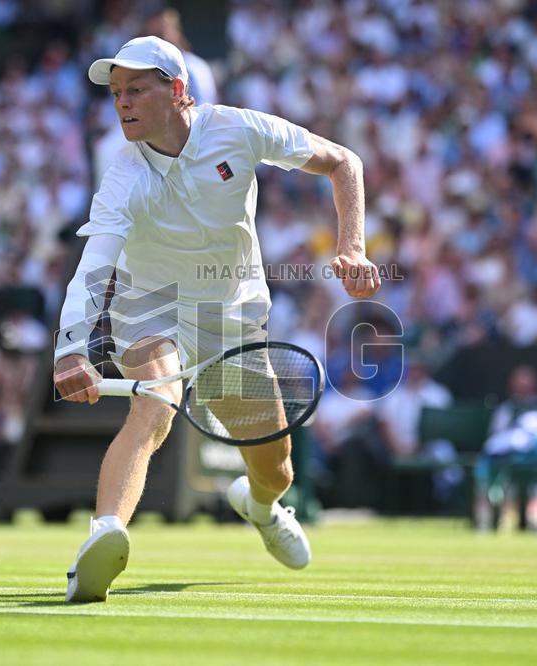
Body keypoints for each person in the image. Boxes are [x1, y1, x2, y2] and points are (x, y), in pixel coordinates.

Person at [53, 36, 380, 603]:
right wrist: (70, 350)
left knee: (276, 471)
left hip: (231, 315)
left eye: (137, 90)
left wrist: (352, 246)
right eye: (116, 93)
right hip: (150, 307)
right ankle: (104, 535)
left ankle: (261, 507)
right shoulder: (123, 176)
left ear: (177, 90)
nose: (123, 103)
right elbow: (94, 267)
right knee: (154, 405)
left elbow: (342, 162)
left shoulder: (239, 128)